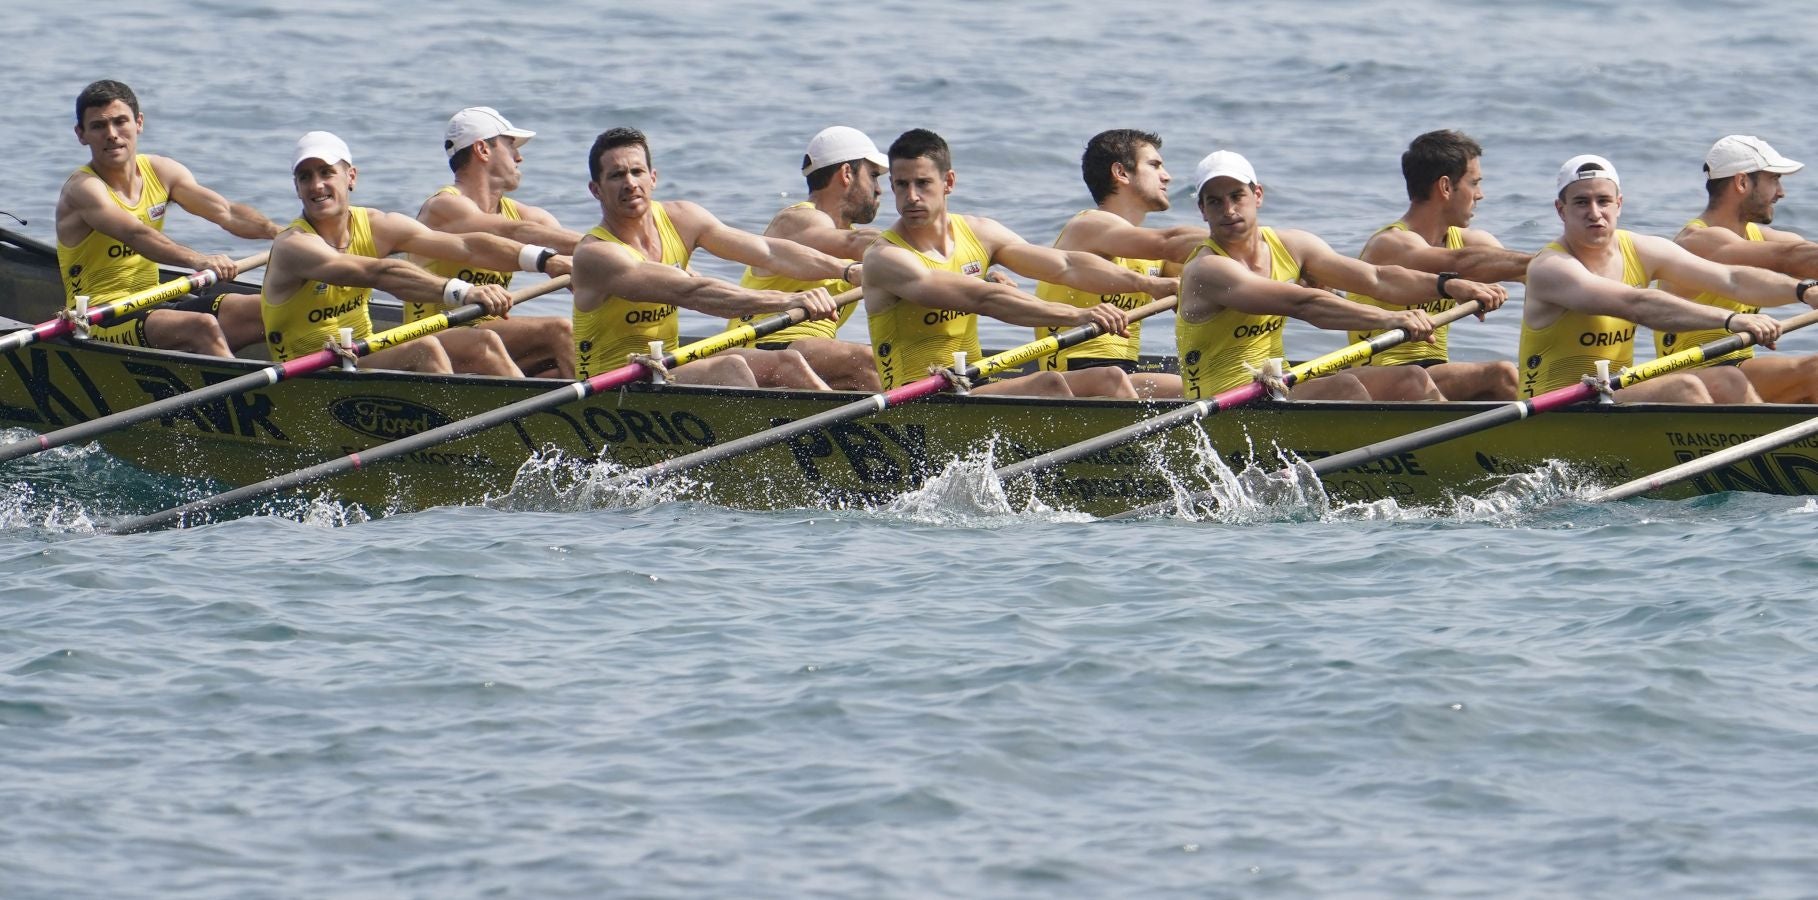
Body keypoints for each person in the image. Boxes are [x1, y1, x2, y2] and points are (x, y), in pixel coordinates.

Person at [859, 128, 1176, 398]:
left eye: (923, 183)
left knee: (1107, 379)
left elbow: (1065, 265)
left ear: (948, 182)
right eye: (901, 185)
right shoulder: (886, 258)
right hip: (917, 398)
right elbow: (983, 299)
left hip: (969, 383)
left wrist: (1148, 284)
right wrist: (1077, 314)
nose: (912, 196)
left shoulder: (980, 233)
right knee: (1049, 384)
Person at [1175, 150, 1504, 401]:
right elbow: (1306, 304)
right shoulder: (1208, 268)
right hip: (1225, 400)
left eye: (1237, 196)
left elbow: (1377, 278)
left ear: (1257, 195)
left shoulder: (1293, 244)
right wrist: (1391, 319)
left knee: (1412, 379)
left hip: (1273, 382)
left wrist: (1448, 285)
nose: (1229, 211)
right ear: (1202, 210)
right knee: (1344, 386)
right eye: (1215, 202)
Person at [1520, 154, 1816, 402]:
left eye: (1603, 201)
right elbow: (1637, 304)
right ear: (1561, 210)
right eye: (1582, 202)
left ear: (1619, 204)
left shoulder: (1641, 248)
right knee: (1684, 388)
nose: (1595, 213)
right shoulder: (1551, 267)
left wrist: (1803, 291)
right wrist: (1731, 320)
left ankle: (1759, 457)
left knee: (1728, 379)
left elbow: (1732, 279)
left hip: (1609, 389)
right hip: (1556, 401)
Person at [262, 131, 564, 374]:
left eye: (326, 173)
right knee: (427, 349)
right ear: (297, 187)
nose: (317, 185)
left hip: (361, 353)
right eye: (305, 177)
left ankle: (536, 428)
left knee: (484, 342)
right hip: (309, 370)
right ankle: (469, 441)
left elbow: (468, 246)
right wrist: (463, 292)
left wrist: (546, 260)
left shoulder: (378, 225)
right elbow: (379, 273)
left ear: (351, 177)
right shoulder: (294, 245)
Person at [570, 127, 840, 386]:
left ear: (653, 178)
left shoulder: (682, 219)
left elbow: (768, 251)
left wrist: (847, 270)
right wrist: (790, 300)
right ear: (596, 189)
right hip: (612, 383)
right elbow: (694, 293)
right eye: (617, 175)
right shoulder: (595, 254)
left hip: (664, 366)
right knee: (731, 368)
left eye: (637, 171)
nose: (630, 183)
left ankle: (848, 430)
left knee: (789, 363)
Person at [55, 79, 280, 356]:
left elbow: (227, 213)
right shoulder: (84, 189)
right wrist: (198, 260)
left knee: (270, 309)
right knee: (202, 326)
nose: (112, 134)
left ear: (139, 122)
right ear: (81, 134)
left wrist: (279, 232)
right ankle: (251, 397)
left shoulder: (162, 171)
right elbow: (137, 235)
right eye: (99, 126)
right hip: (98, 316)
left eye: (120, 121)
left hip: (156, 299)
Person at [1349, 130, 1530, 400]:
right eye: (1474, 183)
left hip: (1436, 372)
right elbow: (1457, 263)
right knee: (1498, 373)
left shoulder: (1471, 241)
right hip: (1378, 377)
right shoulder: (1390, 245)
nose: (1480, 195)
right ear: (1445, 187)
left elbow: (1526, 270)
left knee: (1511, 379)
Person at [1034, 129, 1208, 399]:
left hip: (1125, 374)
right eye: (1154, 165)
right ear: (1121, 173)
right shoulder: (1088, 226)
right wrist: (1253, 238)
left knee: (1206, 385)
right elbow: (1169, 241)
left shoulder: (1150, 254)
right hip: (1071, 377)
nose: (1167, 176)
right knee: (1112, 378)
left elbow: (1209, 286)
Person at [415, 107, 579, 378]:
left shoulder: (529, 214)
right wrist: (566, 255)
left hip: (491, 337)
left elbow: (581, 249)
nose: (519, 157)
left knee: (576, 350)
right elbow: (513, 233)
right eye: (511, 146)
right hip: (436, 337)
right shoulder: (442, 208)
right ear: (483, 150)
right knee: (560, 331)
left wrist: (615, 256)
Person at [1657, 135, 1818, 402]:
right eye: (1773, 180)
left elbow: (1805, 252)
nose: (1781, 192)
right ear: (1742, 182)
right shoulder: (1696, 243)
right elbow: (1792, 258)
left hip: (1738, 369)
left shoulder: (1757, 236)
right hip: (1693, 378)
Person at [728, 126, 890, 391]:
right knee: (869, 362)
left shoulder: (849, 239)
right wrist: (919, 252)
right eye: (873, 175)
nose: (879, 189)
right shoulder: (796, 221)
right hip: (760, 351)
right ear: (847, 174)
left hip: (810, 356)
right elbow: (856, 243)